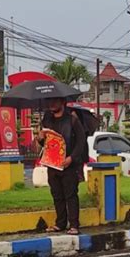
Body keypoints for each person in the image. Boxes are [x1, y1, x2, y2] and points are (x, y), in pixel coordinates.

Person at [37, 98, 86, 235]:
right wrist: (40, 138)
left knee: (70, 195)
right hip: (52, 165)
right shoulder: (47, 120)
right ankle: (60, 223)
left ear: (62, 102)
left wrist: (71, 158)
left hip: (69, 165)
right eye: (50, 102)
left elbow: (81, 142)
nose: (51, 104)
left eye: (55, 101)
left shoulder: (72, 120)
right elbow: (47, 144)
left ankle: (74, 225)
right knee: (57, 194)